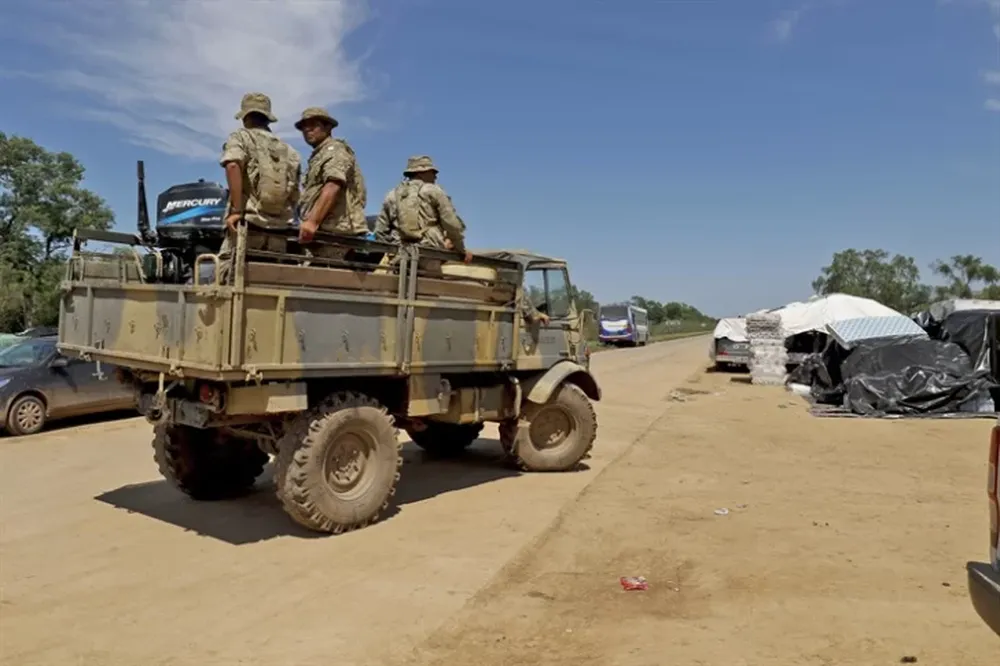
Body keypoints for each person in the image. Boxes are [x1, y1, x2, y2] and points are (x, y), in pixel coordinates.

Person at [217, 92, 301, 282]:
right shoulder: (289, 151)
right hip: (278, 232)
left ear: (245, 116)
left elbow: (232, 165)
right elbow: (295, 194)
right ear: (267, 119)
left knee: (230, 279)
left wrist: (236, 210)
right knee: (268, 283)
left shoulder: (241, 137)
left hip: (247, 226)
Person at [295, 107, 368, 261]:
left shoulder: (335, 150)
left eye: (313, 125)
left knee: (324, 279)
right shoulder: (318, 155)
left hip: (336, 234)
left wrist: (312, 222)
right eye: (304, 127)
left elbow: (334, 184)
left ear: (327, 127)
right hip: (324, 232)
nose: (307, 130)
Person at [373, 155, 472, 264]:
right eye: (433, 172)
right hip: (429, 252)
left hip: (399, 255)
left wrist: (392, 250)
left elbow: (380, 232)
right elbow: (452, 225)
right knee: (429, 279)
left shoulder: (392, 194)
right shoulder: (434, 191)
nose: (435, 176)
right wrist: (461, 250)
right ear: (421, 172)